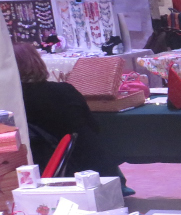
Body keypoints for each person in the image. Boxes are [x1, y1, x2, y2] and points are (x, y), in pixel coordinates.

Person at [14, 43, 131, 193]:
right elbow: (93, 127)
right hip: (95, 169)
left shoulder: (15, 101)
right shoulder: (65, 90)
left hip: (55, 175)